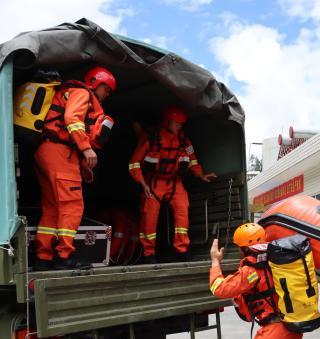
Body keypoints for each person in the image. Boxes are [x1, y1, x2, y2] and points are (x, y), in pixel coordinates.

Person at [34, 66, 116, 269]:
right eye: (106, 89)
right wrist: (87, 149)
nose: (107, 94)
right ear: (95, 83)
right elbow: (72, 119)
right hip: (59, 153)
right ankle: (64, 256)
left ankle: (43, 257)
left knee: (52, 208)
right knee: (72, 205)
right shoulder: (83, 93)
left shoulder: (68, 92)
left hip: (46, 151)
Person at [129, 106, 217, 263]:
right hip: (153, 183)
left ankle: (182, 251)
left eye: (181, 124)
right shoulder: (151, 138)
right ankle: (148, 253)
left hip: (175, 182)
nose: (179, 126)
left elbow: (193, 160)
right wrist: (142, 184)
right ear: (167, 121)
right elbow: (134, 164)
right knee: (149, 217)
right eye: (176, 123)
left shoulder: (184, 140)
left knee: (182, 213)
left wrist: (201, 175)